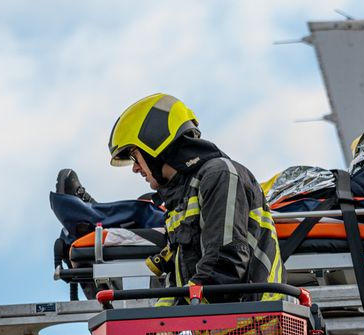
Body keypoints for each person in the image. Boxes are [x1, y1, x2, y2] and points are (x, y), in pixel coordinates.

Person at [107, 93, 284, 303]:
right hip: (222, 327)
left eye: (134, 156)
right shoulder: (180, 200)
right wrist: (157, 324)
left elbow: (226, 262)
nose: (135, 168)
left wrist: (172, 321)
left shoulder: (220, 175)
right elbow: (177, 284)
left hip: (257, 323)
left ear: (155, 142)